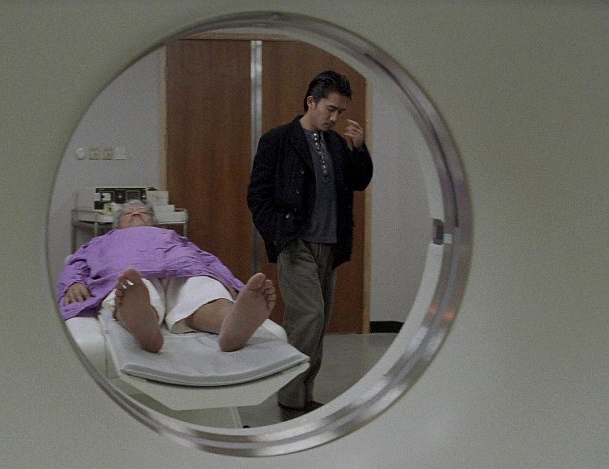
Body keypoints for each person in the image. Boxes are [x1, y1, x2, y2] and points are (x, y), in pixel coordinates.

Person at [247, 70, 373, 420]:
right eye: (330, 109)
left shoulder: (336, 143)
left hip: (330, 246)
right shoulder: (277, 140)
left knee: (318, 323)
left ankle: (304, 395)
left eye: (340, 112)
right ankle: (290, 398)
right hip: (296, 243)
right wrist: (278, 235)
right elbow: (257, 195)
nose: (334, 118)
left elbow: (358, 182)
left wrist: (359, 149)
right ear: (311, 102)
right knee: (308, 316)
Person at [57, 200, 276, 353]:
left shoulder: (171, 236)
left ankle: (229, 323)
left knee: (202, 288)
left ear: (153, 221)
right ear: (117, 224)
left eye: (143, 212)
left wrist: (231, 283)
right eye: (128, 212)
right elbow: (77, 262)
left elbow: (207, 259)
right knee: (134, 288)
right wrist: (73, 282)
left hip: (183, 267)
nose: (136, 213)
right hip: (128, 270)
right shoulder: (102, 240)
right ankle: (144, 322)